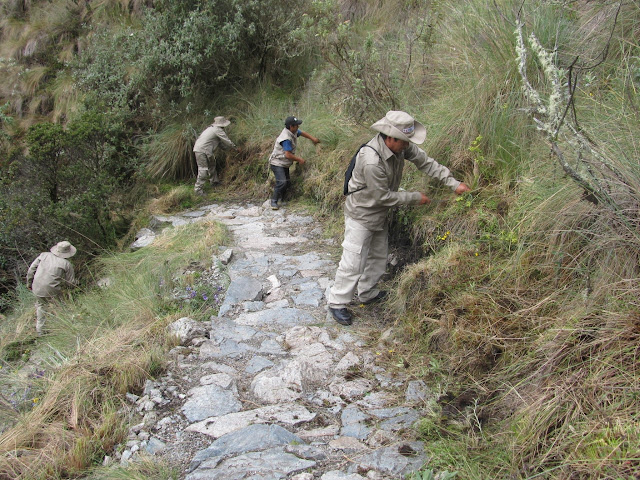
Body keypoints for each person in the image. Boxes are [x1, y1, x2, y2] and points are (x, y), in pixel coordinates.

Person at [327, 111, 471, 326]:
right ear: (390, 137)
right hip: (361, 213)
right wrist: (416, 198)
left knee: (378, 255)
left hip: (380, 213)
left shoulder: (401, 145)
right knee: (353, 259)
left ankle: (367, 293)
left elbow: (426, 162)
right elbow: (382, 196)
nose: (408, 146)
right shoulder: (371, 161)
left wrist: (453, 183)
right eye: (404, 141)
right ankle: (337, 302)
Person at [268, 115, 320, 210]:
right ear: (291, 126)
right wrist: (299, 159)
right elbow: (287, 154)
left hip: (284, 163)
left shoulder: (293, 131)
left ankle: (282, 199)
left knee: (287, 182)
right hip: (277, 163)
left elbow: (302, 133)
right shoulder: (286, 138)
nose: (298, 127)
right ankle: (273, 201)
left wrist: (313, 138)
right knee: (282, 182)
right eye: (296, 125)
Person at [26, 241, 77, 335]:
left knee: (41, 306)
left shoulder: (43, 255)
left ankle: (40, 331)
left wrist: (29, 284)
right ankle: (68, 326)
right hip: (52, 290)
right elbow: (71, 283)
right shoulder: (66, 264)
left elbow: (31, 270)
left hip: (36, 287)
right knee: (61, 306)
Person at [193, 116, 236, 194]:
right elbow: (227, 141)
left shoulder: (210, 129)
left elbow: (220, 144)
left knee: (212, 165)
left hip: (203, 150)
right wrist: (235, 148)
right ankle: (198, 190)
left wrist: (229, 150)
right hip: (202, 151)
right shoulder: (217, 130)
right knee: (203, 169)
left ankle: (214, 182)